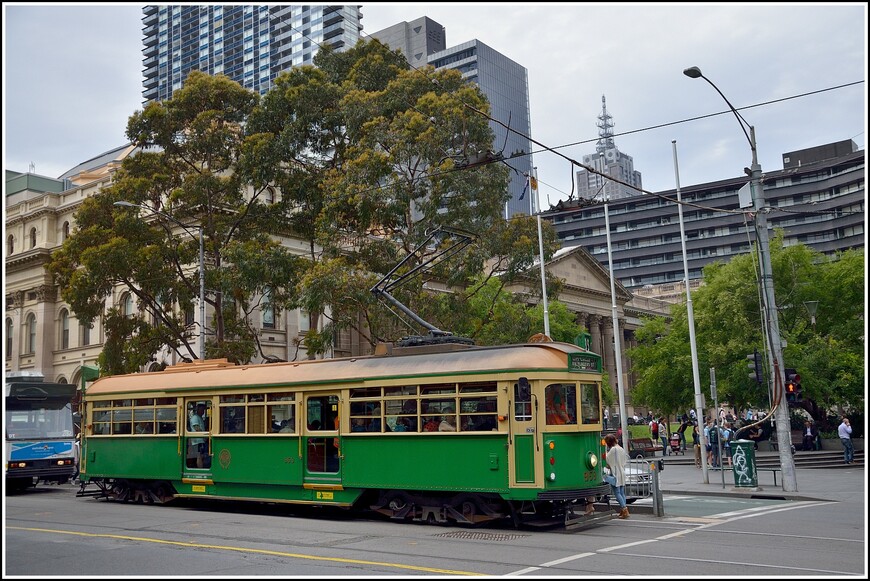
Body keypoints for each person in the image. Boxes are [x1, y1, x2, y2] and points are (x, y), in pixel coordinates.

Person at [603, 433, 629, 519]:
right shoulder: (621, 448)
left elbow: (607, 460)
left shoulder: (613, 449)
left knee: (617, 492)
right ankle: (624, 510)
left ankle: (624, 509)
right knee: (622, 492)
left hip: (615, 473)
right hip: (622, 472)